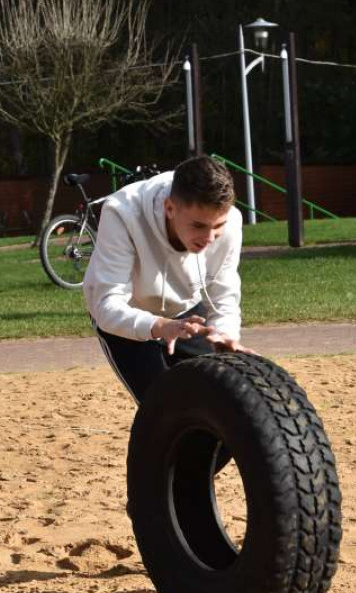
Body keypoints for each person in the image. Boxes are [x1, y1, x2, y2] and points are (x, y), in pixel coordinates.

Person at [83, 154, 250, 405]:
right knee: (161, 407)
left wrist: (225, 333)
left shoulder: (230, 223)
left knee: (213, 397)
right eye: (198, 226)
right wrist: (159, 326)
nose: (210, 238)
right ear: (169, 208)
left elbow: (223, 291)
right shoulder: (122, 212)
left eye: (218, 226)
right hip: (125, 317)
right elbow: (106, 305)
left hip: (186, 313)